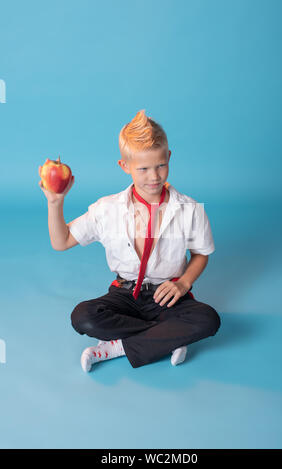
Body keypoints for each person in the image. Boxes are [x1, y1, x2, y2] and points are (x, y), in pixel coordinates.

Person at [38, 109, 221, 372]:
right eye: (143, 168)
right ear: (125, 166)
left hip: (167, 296)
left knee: (208, 319)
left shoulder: (190, 208)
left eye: (160, 165)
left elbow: (201, 254)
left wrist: (183, 284)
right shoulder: (106, 209)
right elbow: (61, 241)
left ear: (169, 157)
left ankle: (117, 346)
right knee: (83, 316)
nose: (154, 176)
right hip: (125, 295)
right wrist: (55, 203)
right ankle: (167, 338)